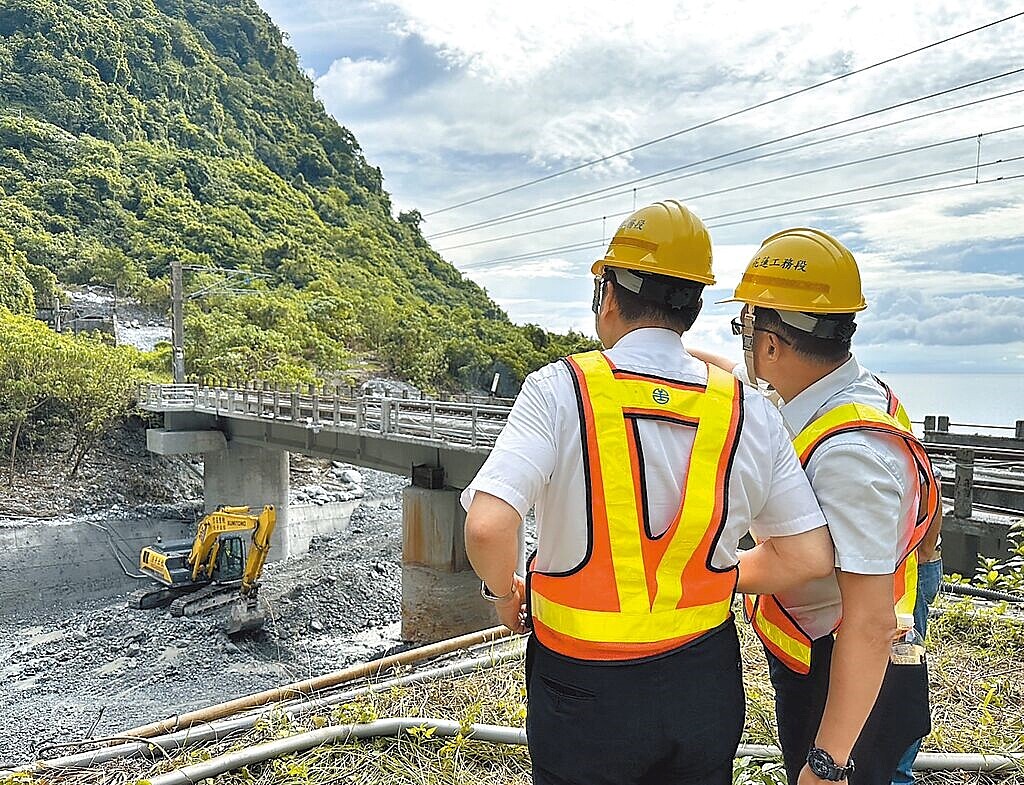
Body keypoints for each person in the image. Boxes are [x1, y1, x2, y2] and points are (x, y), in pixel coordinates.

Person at [462, 201, 835, 785]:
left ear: (607, 295)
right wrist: (713, 578)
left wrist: (503, 595)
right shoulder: (747, 411)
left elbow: (488, 526)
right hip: (703, 678)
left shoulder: (559, 390)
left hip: (581, 686)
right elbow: (807, 556)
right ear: (694, 304)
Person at [699, 227, 940, 785]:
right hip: (823, 651)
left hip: (844, 676)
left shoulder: (852, 454)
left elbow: (871, 623)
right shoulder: (839, 394)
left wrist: (828, 764)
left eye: (745, 327)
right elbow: (734, 375)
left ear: (772, 344)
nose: (742, 342)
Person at [892, 467, 944, 785]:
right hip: (916, 571)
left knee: (901, 677)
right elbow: (933, 483)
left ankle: (897, 774)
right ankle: (898, 774)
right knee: (905, 679)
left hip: (907, 579)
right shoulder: (906, 449)